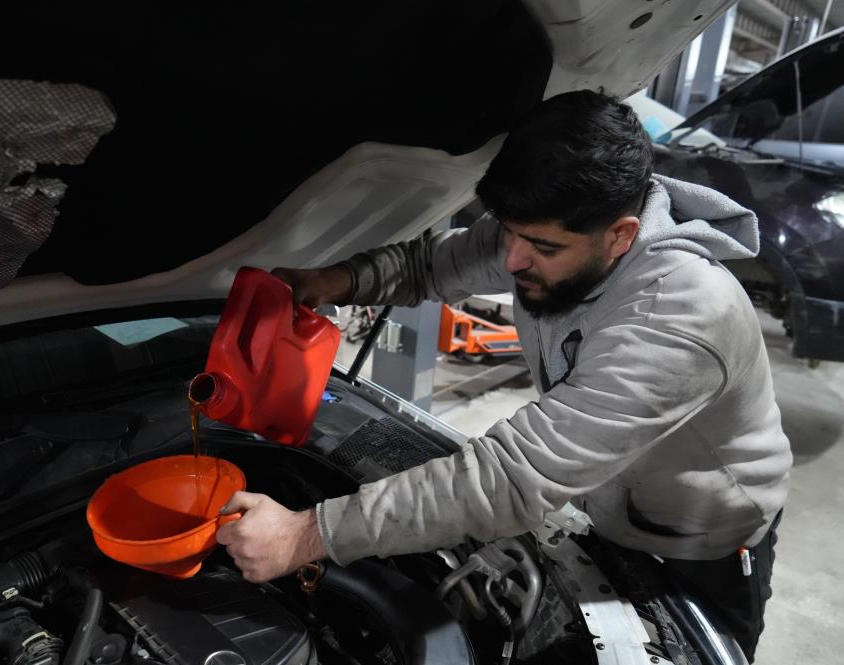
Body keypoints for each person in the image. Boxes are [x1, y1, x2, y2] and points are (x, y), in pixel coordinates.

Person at [215, 90, 791, 662]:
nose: (512, 258)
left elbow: (513, 477)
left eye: (540, 246)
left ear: (621, 235)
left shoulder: (680, 315)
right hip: (605, 500)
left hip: (699, 540)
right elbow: (429, 265)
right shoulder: (552, 231)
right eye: (510, 231)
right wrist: (332, 280)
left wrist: (306, 534)